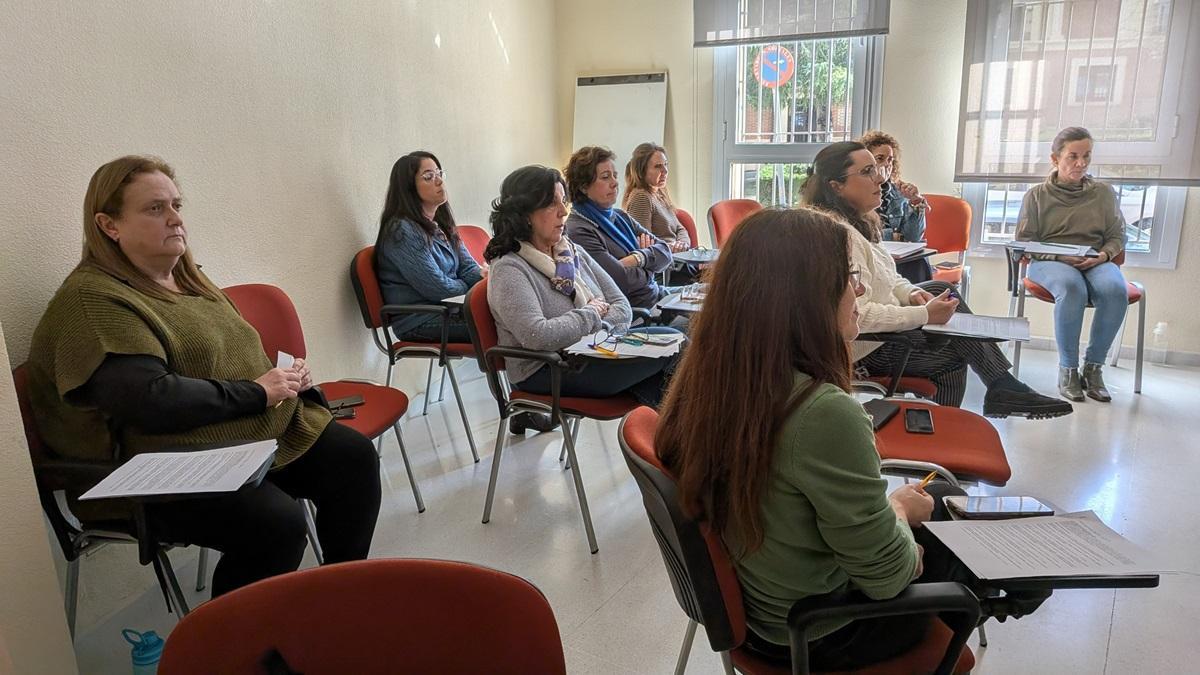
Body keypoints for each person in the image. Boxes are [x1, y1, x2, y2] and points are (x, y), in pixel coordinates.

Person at [26, 156, 381, 598]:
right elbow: (151, 401)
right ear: (109, 225)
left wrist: (285, 377)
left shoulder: (188, 278)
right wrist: (258, 392)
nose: (175, 218)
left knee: (353, 459)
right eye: (155, 209)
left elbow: (227, 356)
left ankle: (342, 598)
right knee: (277, 524)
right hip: (154, 468)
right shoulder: (93, 300)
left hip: (235, 435)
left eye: (176, 204)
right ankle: (234, 650)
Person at [655, 208, 972, 670]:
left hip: (762, 608)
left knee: (939, 496)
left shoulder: (711, 377)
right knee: (949, 525)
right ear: (805, 297)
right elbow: (887, 577)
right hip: (821, 631)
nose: (859, 290)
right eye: (848, 277)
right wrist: (899, 510)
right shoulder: (822, 412)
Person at [802, 141, 1071, 419]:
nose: (881, 178)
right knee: (952, 360)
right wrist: (923, 313)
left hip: (881, 335)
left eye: (879, 168)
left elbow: (890, 278)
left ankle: (1000, 385)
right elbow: (860, 315)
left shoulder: (860, 223)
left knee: (942, 288)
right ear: (836, 186)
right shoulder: (840, 236)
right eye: (869, 171)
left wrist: (912, 295)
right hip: (863, 351)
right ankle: (946, 431)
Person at [484, 165, 681, 427]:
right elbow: (538, 336)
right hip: (547, 369)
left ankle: (672, 442)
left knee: (676, 342)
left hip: (594, 349)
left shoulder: (569, 250)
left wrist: (596, 326)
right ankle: (675, 445)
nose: (563, 211)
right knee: (676, 356)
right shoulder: (510, 268)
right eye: (551, 204)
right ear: (525, 213)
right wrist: (591, 314)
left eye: (563, 201)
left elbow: (621, 305)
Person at [1016, 126, 1128, 403]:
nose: (1081, 164)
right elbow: (1025, 242)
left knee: (1115, 290)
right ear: (1055, 159)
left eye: (1087, 156)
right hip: (1049, 260)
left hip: (1094, 257)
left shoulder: (1103, 193)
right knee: (1071, 288)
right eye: (1073, 157)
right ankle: (1068, 370)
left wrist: (1103, 255)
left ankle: (1093, 369)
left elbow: (1117, 234)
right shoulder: (1037, 195)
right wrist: (1059, 257)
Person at [375, 151, 483, 343]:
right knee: (506, 325)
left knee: (515, 316)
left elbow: (468, 267)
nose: (439, 181)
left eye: (439, 173)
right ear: (408, 188)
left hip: (449, 310)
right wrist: (470, 287)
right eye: (429, 177)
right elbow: (438, 288)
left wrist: (484, 283)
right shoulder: (401, 229)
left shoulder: (442, 223)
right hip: (420, 319)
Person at [564, 146, 673, 309]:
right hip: (640, 311)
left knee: (709, 297)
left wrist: (638, 259)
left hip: (658, 295)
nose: (615, 183)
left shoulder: (620, 216)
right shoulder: (579, 230)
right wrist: (651, 268)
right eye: (605, 177)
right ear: (583, 186)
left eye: (614, 176)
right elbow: (619, 280)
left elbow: (665, 251)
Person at [860, 130, 932, 283]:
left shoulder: (898, 193)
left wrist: (915, 203)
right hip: (870, 257)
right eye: (880, 158)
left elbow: (913, 237)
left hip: (897, 259)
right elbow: (865, 236)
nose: (887, 164)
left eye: (890, 160)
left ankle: (921, 303)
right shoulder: (858, 190)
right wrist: (894, 236)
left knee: (919, 262)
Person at [623, 142, 691, 252]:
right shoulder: (641, 198)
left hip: (678, 257)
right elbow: (645, 246)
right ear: (642, 171)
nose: (665, 171)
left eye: (666, 164)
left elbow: (680, 228)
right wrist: (672, 247)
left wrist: (683, 244)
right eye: (658, 166)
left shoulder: (659, 192)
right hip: (666, 263)